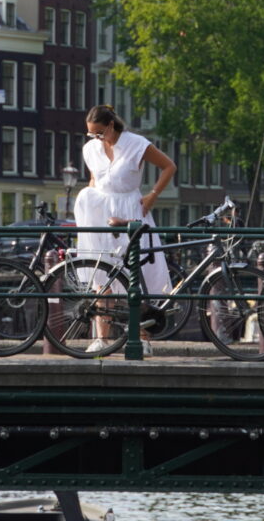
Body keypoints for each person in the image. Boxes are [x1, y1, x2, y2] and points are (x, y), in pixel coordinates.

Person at [74, 104, 178, 353]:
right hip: (101, 214)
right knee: (102, 275)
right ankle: (101, 338)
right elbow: (94, 180)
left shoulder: (136, 143)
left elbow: (169, 166)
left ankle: (142, 339)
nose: (96, 138)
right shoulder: (91, 149)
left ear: (111, 126)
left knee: (137, 275)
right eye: (91, 134)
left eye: (99, 132)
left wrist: (152, 195)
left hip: (130, 209)